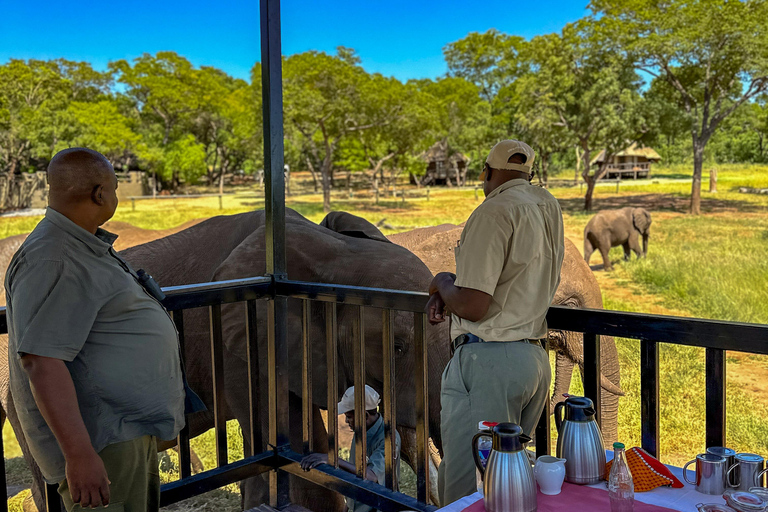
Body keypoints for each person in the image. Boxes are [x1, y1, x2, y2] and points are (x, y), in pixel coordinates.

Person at [5, 148, 194, 512]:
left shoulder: (79, 244)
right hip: (100, 444)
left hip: (119, 433)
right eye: (115, 186)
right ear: (99, 193)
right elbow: (41, 362)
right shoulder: (54, 257)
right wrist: (79, 455)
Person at [427, 140, 564, 505]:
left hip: (489, 365)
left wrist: (442, 282)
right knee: (509, 483)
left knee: (468, 490)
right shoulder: (547, 206)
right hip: (533, 361)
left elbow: (473, 305)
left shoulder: (493, 211)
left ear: (487, 172)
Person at [301, 385, 401, 512]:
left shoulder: (389, 438)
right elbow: (355, 472)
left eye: (349, 417)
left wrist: (333, 460)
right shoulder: (361, 430)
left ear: (364, 416)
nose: (346, 421)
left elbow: (372, 476)